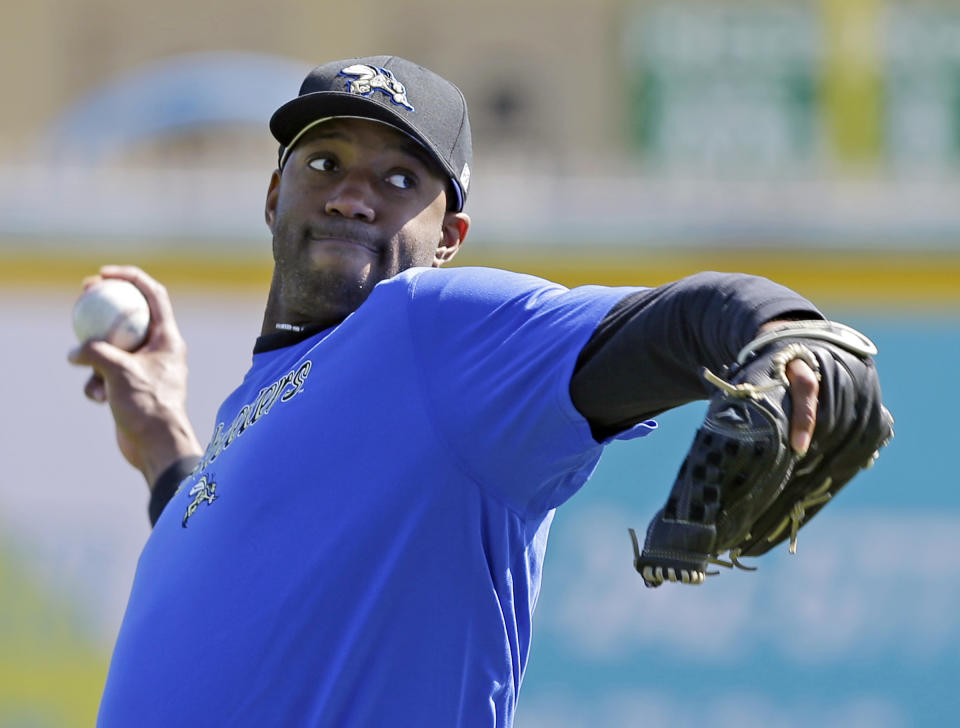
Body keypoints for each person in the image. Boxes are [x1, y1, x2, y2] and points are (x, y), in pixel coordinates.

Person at [71, 56, 835, 727]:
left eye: (401, 179)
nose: (351, 196)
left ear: (450, 240)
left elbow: (679, 316)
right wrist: (164, 441)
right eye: (323, 163)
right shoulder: (250, 410)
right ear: (274, 195)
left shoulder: (434, 335)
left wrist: (780, 330)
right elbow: (223, 577)